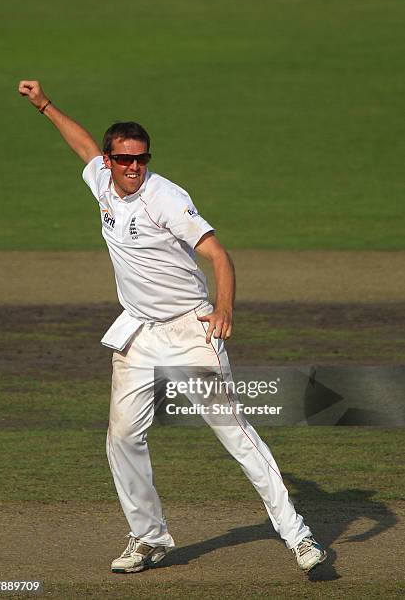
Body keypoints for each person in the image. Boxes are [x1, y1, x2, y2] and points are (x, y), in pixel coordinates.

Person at [18, 80, 327, 575]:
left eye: (141, 159)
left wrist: (223, 308)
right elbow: (79, 144)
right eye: (124, 160)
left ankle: (300, 536)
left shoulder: (165, 198)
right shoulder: (101, 179)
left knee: (235, 434)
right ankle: (149, 537)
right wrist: (45, 105)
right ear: (109, 161)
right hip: (138, 334)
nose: (134, 168)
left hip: (191, 331)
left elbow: (218, 256)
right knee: (121, 437)